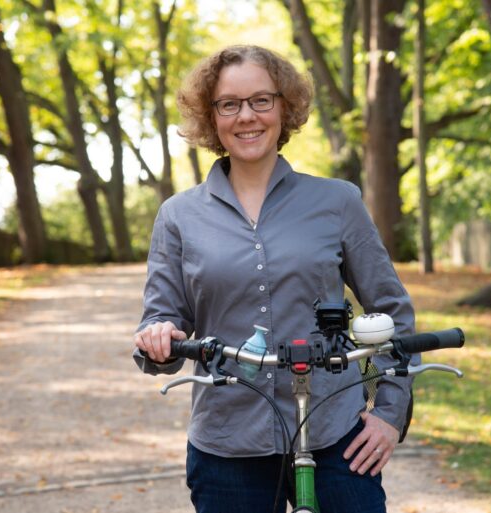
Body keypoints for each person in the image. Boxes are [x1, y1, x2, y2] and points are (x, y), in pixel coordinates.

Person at [133, 45, 416, 513]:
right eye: (230, 104)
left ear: (285, 108)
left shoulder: (338, 201)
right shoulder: (178, 216)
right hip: (227, 444)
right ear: (212, 117)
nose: (247, 116)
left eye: (262, 100)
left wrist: (388, 413)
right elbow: (163, 322)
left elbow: (392, 311)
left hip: (335, 437)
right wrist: (159, 337)